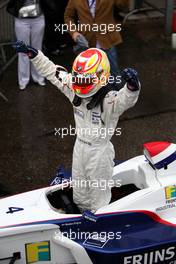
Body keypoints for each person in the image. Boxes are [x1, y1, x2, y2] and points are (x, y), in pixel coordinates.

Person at [13, 40, 140, 213]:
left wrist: (132, 86)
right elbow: (53, 72)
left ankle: (100, 228)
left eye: (85, 79)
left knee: (98, 199)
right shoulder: (73, 87)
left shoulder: (110, 99)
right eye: (79, 78)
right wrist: (34, 55)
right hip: (79, 147)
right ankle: (79, 221)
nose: (80, 83)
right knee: (79, 193)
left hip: (99, 153)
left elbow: (125, 100)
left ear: (100, 76)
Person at [64, 0, 129, 85]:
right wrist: (74, 33)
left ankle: (118, 96)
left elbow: (123, 6)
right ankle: (93, 96)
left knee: (114, 75)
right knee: (88, 76)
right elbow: (68, 16)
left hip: (107, 40)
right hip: (86, 42)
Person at [7, 0, 47, 90]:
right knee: (23, 51)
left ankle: (39, 77)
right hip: (21, 19)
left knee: (37, 50)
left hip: (38, 18)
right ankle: (23, 80)